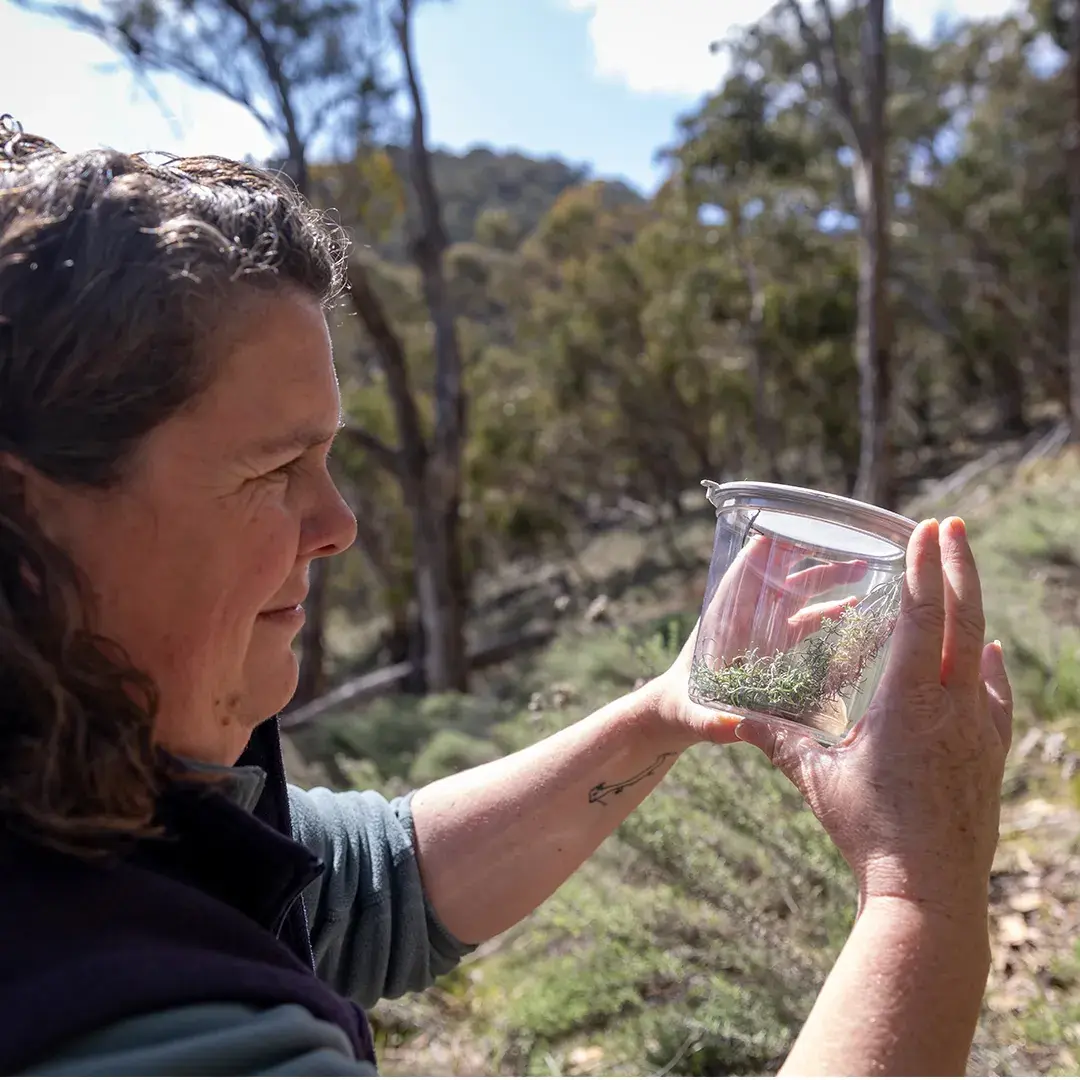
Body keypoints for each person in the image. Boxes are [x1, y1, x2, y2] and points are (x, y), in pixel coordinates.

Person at [0, 117, 1012, 1078]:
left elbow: (359, 891)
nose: (339, 524)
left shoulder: (92, 790)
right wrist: (923, 891)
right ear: (24, 514)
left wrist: (663, 711)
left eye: (330, 458)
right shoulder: (131, 1031)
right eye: (274, 470)